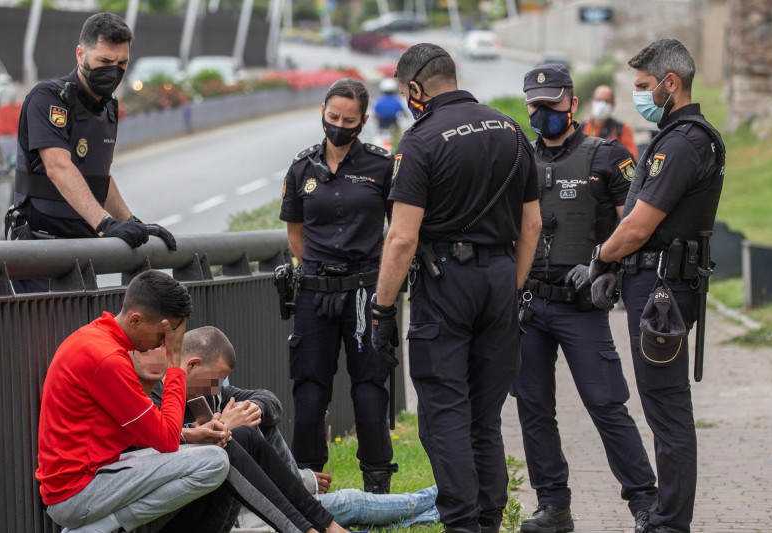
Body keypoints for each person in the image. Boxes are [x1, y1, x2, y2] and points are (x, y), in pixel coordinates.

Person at [370, 43, 542, 533]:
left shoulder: (419, 142)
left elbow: (402, 238)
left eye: (407, 93)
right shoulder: (510, 129)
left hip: (446, 284)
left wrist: (382, 311)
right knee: (485, 414)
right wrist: (511, 284)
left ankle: (462, 525)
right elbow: (532, 225)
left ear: (416, 88)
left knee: (445, 412)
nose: (407, 101)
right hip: (500, 280)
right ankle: (489, 521)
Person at [588, 39, 726, 533]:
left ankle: (669, 522)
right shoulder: (676, 136)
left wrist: (600, 256)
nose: (638, 95)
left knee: (666, 411)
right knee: (662, 407)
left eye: (645, 86)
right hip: (657, 286)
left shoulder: (684, 142)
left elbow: (639, 225)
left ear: (672, 83)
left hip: (663, 292)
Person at [512, 64, 657, 533]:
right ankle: (553, 506)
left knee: (606, 403)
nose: (542, 113)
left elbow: (632, 224)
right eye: (534, 104)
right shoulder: (518, 159)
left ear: (571, 105)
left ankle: (646, 505)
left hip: (582, 306)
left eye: (551, 104)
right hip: (530, 307)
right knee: (533, 408)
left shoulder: (607, 156)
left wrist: (603, 264)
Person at [140, 327, 440, 531]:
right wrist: (221, 431)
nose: (218, 388)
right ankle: (443, 498)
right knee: (349, 502)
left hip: (264, 494)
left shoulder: (205, 395)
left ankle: (442, 501)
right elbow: (166, 461)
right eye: (214, 380)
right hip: (233, 510)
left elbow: (270, 400)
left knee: (252, 420)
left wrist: (253, 410)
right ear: (190, 365)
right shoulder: (153, 399)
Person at [36, 269, 230, 533]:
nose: (163, 345)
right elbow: (167, 440)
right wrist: (175, 363)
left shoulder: (96, 338)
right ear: (136, 320)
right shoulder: (108, 360)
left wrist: (191, 436)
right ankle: (97, 528)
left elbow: (144, 433)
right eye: (163, 336)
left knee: (207, 453)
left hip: (85, 480)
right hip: (77, 494)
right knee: (214, 462)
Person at [279, 78, 398, 494]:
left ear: (363, 121)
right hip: (315, 290)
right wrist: (318, 269)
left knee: (369, 388)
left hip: (366, 291)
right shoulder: (301, 167)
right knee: (309, 389)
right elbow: (296, 234)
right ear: (322, 112)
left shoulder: (382, 167)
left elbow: (398, 230)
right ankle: (307, 482)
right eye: (333, 117)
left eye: (349, 120)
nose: (339, 125)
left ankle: (378, 483)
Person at [11, 13, 175, 293]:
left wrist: (133, 224)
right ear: (80, 54)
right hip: (40, 255)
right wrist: (106, 224)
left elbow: (99, 177)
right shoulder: (48, 99)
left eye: (122, 63)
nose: (113, 71)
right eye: (104, 61)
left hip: (82, 257)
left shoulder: (108, 109)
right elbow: (58, 167)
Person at [580, 85, 640, 161]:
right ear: (591, 101)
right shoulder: (581, 128)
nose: (602, 105)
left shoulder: (622, 129)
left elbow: (632, 159)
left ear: (613, 104)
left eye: (606, 101)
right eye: (598, 100)